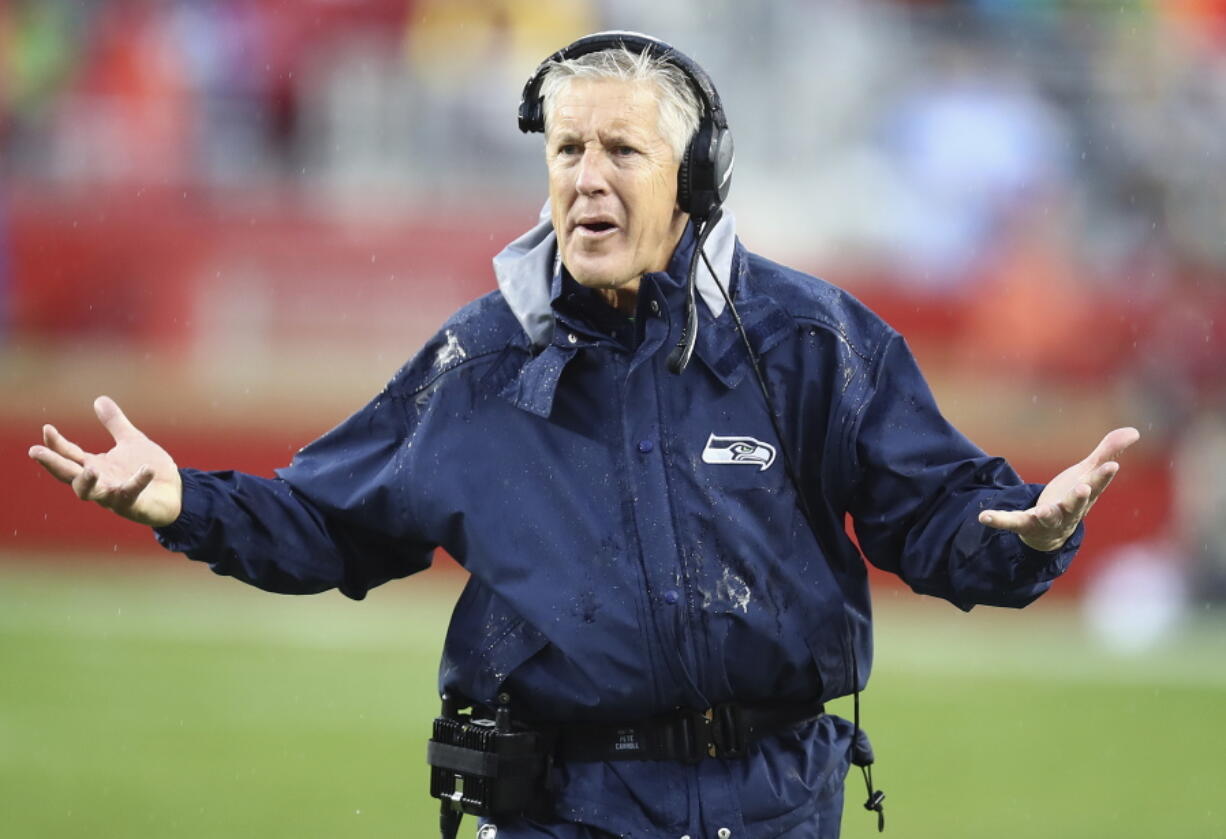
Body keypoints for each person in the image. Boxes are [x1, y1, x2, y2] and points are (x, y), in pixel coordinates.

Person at [28, 32, 1139, 839]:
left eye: (620, 150)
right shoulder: (478, 360)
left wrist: (1026, 537)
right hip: (565, 807)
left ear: (693, 182)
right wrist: (186, 500)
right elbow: (327, 519)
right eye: (566, 151)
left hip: (778, 803)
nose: (585, 179)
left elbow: (938, 516)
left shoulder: (806, 339)